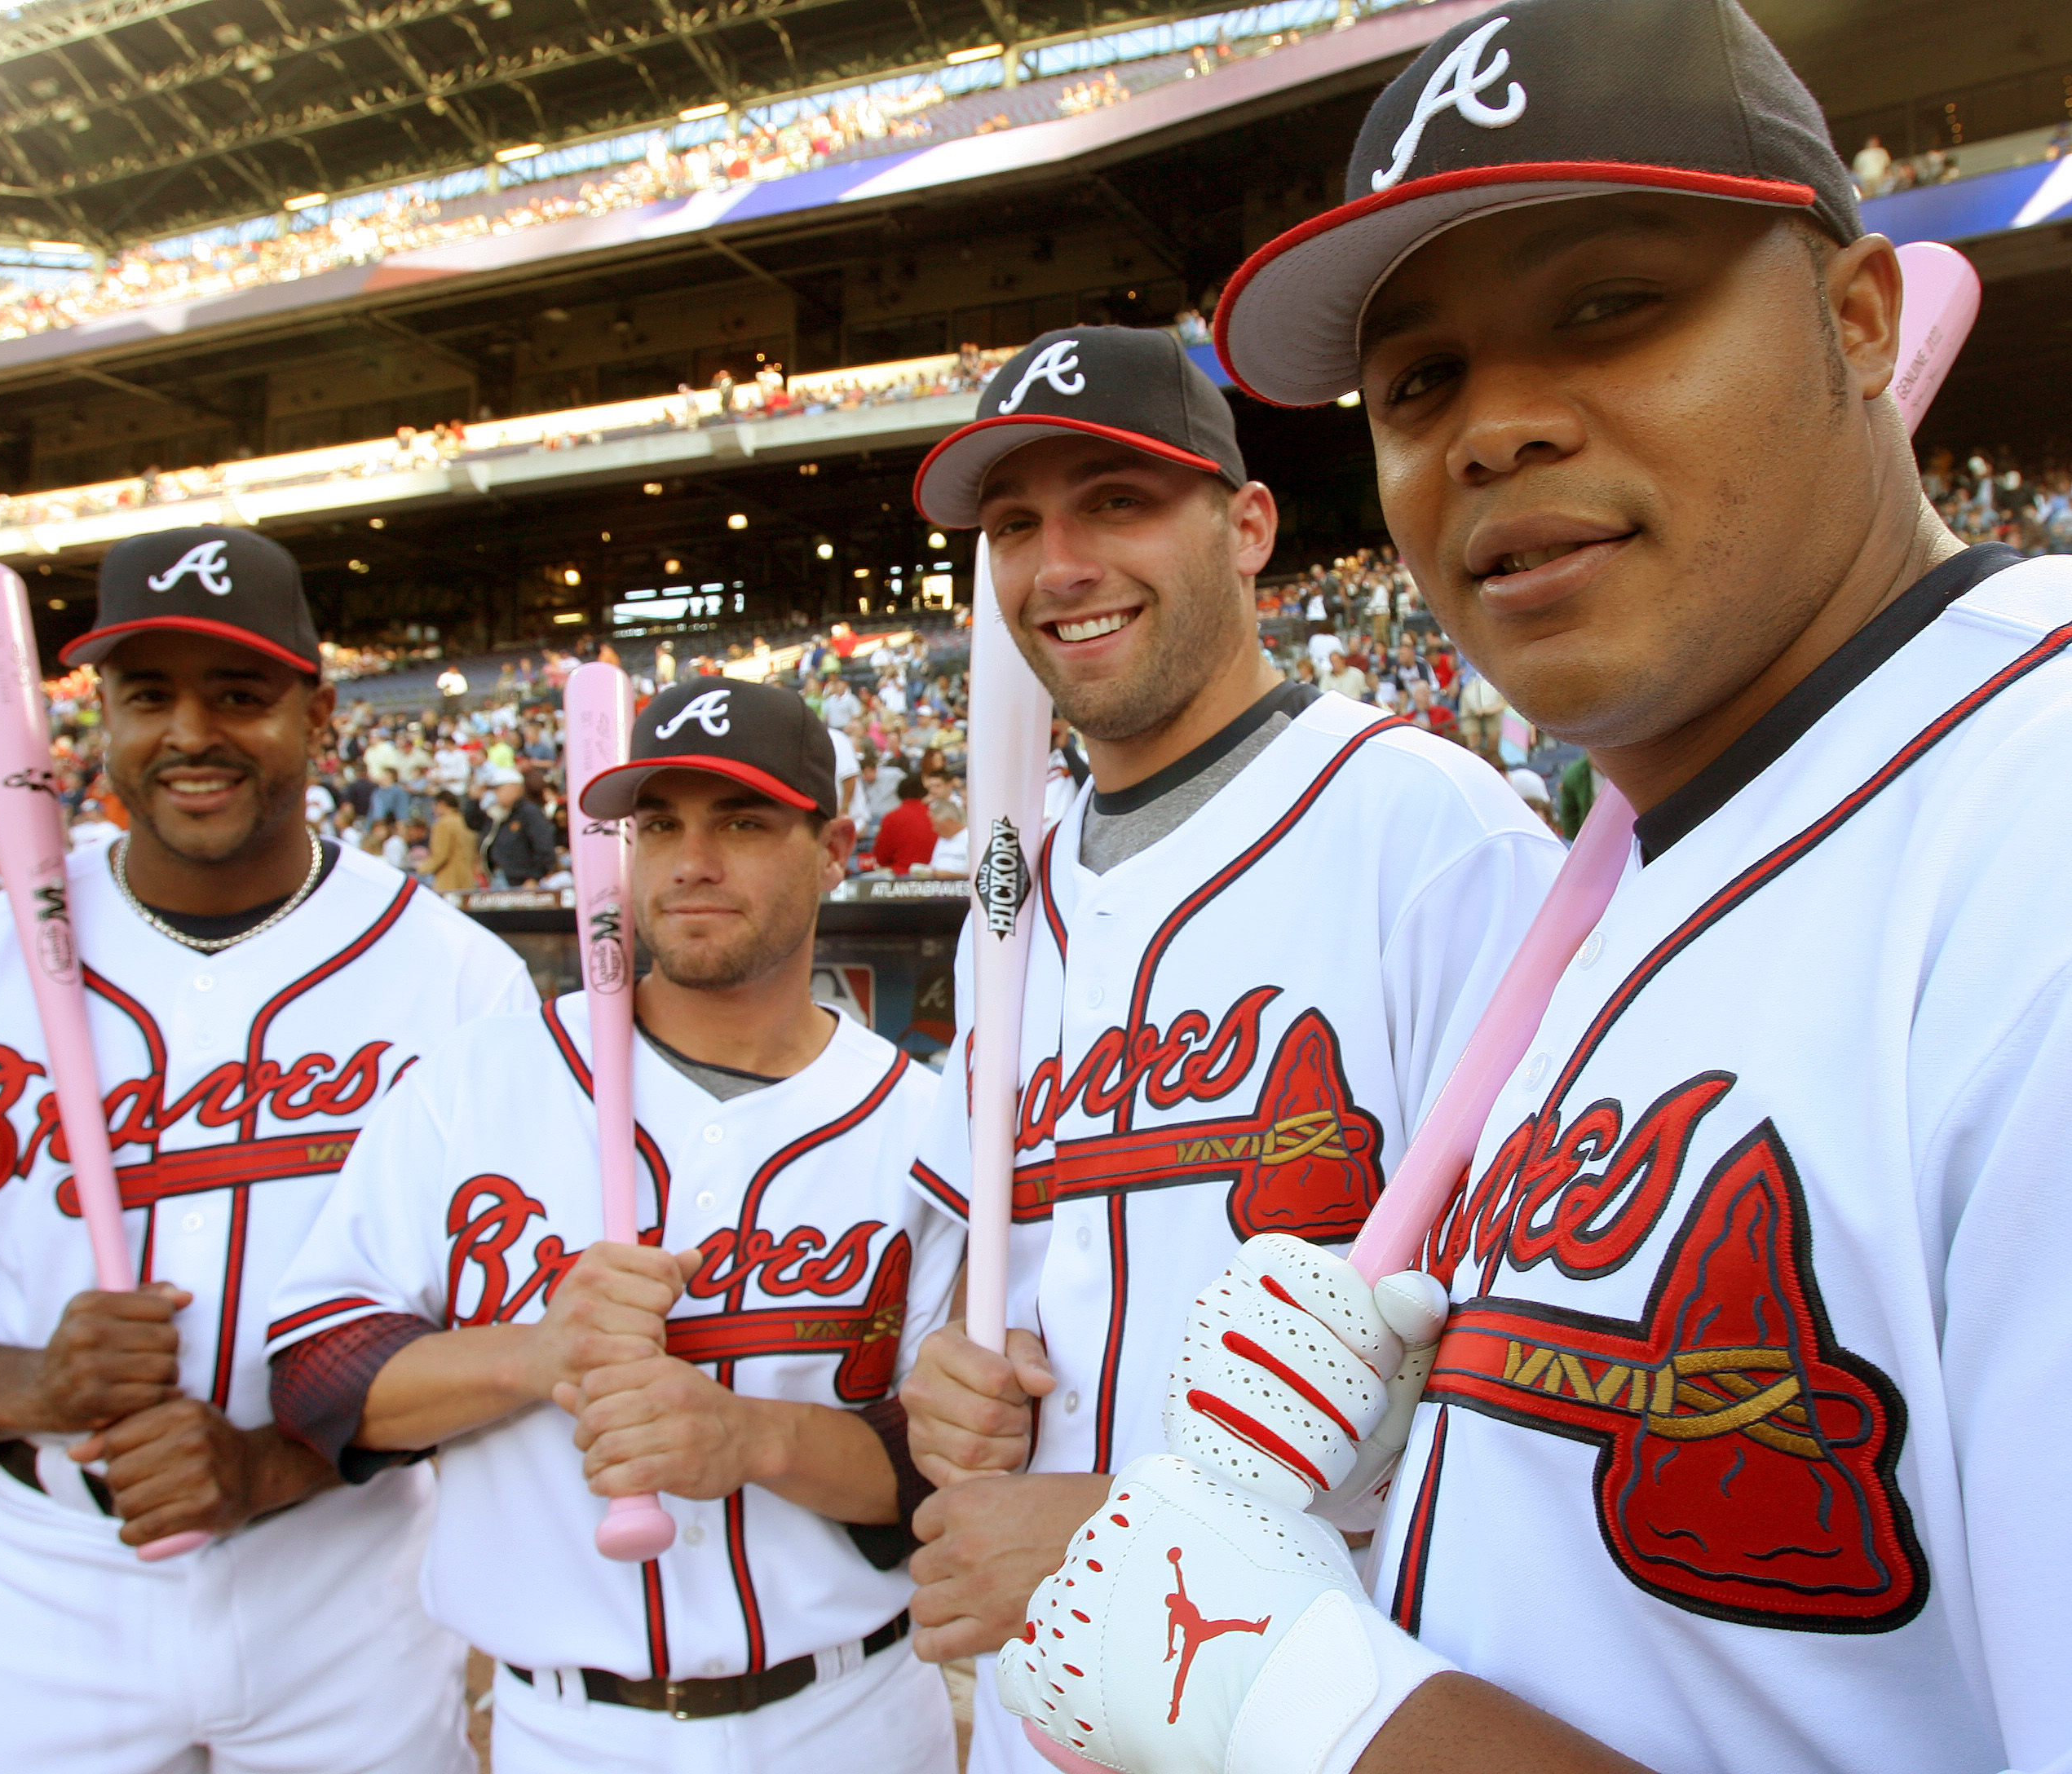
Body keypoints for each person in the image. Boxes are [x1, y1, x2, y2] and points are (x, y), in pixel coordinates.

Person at [1000, 4, 2072, 1773]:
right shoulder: (1653, 860)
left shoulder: (2027, 843)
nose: (1491, 430)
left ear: (1859, 321)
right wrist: (1446, 1448)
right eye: (1419, 381)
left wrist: (1315, 1699)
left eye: (1608, 308)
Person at [0, 524, 536, 1774]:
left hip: (354, 1575)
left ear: (319, 718)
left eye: (241, 694)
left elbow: (511, 1338)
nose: (192, 734)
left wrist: (268, 1466)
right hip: (49, 1575)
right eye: (147, 695)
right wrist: (31, 1390)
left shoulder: (459, 983)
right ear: (99, 717)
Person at [901, 324, 1562, 1774]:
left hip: (1335, 1706)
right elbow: (978, 1261)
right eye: (1013, 526)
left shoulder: (1432, 838)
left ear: (1247, 524)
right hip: (1046, 1706)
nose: (1056, 563)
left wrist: (1124, 1522)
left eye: (1115, 502)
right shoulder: (1007, 900)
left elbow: (1544, 1352)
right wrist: (944, 1374)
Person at [267, 677, 963, 1774]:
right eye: (659, 825)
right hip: (566, 1730)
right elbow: (313, 1377)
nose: (692, 860)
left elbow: (944, 1468)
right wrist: (536, 1355)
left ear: (833, 847)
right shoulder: (477, 1084)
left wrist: (753, 1440)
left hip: (855, 1717)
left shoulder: (930, 1129)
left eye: (742, 822)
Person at [482, 769, 559, 886]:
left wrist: (534, 877)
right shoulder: (499, 813)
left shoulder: (529, 812)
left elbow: (544, 847)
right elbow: (473, 822)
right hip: (499, 877)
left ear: (514, 787)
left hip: (522, 882)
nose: (495, 794)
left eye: (498, 789)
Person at [871, 775, 936, 874]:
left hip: (900, 874)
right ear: (924, 793)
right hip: (933, 874)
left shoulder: (891, 817)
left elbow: (881, 856)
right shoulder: (935, 815)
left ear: (899, 793)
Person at [425, 790, 477, 893]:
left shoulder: (443, 824)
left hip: (449, 882)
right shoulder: (465, 821)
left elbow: (440, 855)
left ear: (442, 804)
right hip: (468, 880)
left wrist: (422, 868)